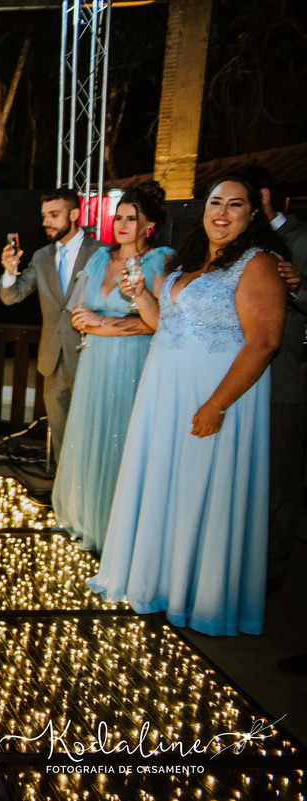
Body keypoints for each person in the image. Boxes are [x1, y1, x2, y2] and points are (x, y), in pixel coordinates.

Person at [88, 175, 286, 636]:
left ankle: (197, 593)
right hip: (165, 391)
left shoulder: (259, 264)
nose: (222, 212)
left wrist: (216, 404)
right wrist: (140, 296)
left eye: (235, 204)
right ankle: (157, 580)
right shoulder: (190, 260)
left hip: (215, 393)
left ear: (252, 214)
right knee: (165, 480)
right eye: (215, 201)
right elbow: (164, 323)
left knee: (202, 486)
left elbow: (264, 343)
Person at [51, 183, 172, 553]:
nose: (121, 224)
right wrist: (95, 323)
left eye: (131, 219)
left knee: (122, 439)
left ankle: (119, 528)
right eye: (118, 217)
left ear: (148, 224)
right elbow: (76, 313)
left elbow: (161, 321)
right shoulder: (100, 259)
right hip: (94, 362)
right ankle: (85, 517)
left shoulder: (160, 260)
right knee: (91, 434)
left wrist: (101, 325)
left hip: (133, 361)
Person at [235, 166, 307, 599]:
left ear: (261, 196)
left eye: (239, 199)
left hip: (283, 373)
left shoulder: (302, 238)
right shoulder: (242, 242)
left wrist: (298, 286)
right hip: (239, 373)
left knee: (279, 472)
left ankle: (272, 564)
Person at [0, 189, 107, 453]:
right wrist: (9, 272)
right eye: (44, 215)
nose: (47, 221)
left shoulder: (102, 253)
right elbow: (12, 296)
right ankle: (61, 492)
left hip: (90, 355)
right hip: (52, 359)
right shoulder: (41, 256)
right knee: (59, 434)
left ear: (74, 214)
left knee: (90, 432)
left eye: (54, 215)